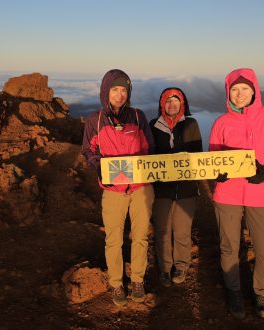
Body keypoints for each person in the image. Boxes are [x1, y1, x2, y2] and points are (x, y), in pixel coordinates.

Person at [208, 68, 264, 319]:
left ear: (254, 90)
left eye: (245, 89)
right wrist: (217, 173)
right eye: (234, 89)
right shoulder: (222, 122)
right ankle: (234, 291)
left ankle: (260, 291)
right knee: (229, 248)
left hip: (261, 193)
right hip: (227, 194)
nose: (240, 94)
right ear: (228, 93)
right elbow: (213, 158)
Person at [81, 69, 155, 307]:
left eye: (124, 90)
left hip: (141, 188)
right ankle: (116, 283)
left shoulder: (138, 116)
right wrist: (100, 167)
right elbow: (89, 151)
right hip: (113, 191)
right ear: (106, 92)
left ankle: (137, 280)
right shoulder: (95, 120)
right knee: (114, 239)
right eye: (115, 89)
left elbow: (149, 150)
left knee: (141, 236)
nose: (120, 94)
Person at [149, 87, 202, 287]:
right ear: (162, 104)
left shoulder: (191, 124)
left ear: (183, 104)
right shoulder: (154, 125)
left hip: (186, 188)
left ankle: (181, 265)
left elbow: (197, 155)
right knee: (162, 229)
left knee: (182, 230)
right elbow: (149, 155)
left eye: (176, 101)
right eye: (168, 101)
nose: (172, 105)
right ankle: (164, 268)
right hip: (161, 188)